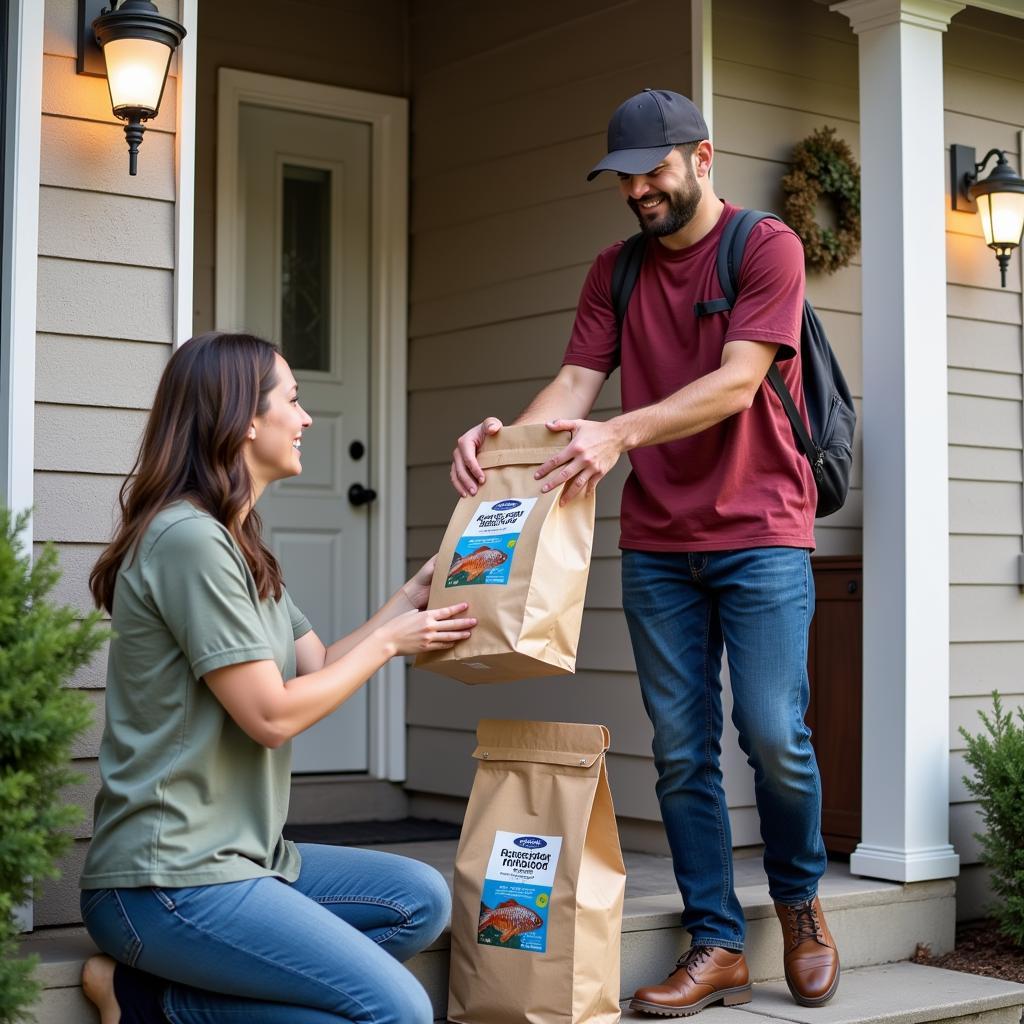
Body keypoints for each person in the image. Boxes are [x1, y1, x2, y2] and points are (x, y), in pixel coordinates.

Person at [450, 89, 839, 1016]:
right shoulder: (615, 270)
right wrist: (506, 438)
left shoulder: (766, 247)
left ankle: (798, 905)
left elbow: (739, 381)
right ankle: (716, 942)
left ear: (701, 158)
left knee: (775, 735)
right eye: (623, 178)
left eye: (652, 172)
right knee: (679, 748)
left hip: (761, 531)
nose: (636, 191)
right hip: (661, 542)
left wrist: (618, 436)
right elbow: (578, 384)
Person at [79, 332, 475, 1024]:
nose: (307, 418)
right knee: (397, 1012)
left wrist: (403, 604)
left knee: (419, 899)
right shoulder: (189, 542)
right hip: (165, 881)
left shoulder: (235, 539)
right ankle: (156, 1001)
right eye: (293, 400)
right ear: (243, 419)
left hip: (247, 860)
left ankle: (157, 1002)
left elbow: (315, 664)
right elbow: (271, 716)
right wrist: (388, 645)